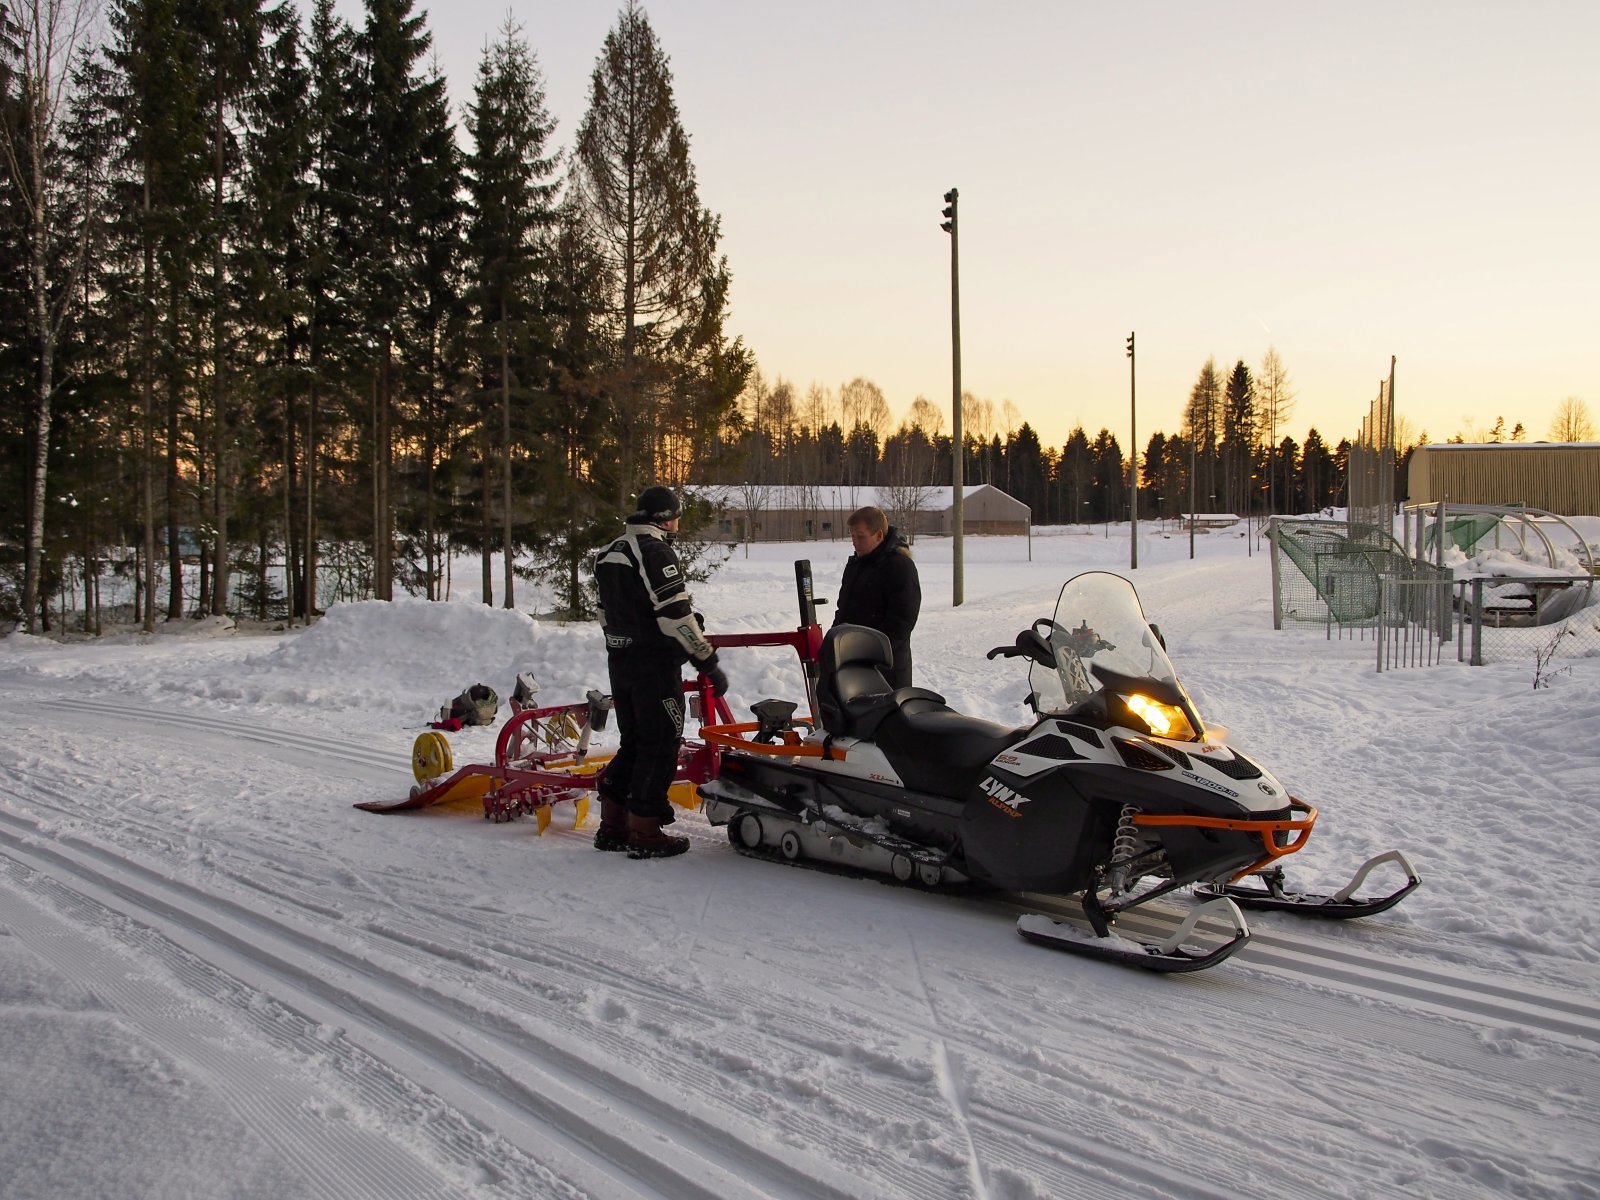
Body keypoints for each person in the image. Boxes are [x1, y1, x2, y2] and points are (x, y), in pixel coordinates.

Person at [592, 485, 728, 859]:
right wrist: (707, 661)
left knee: (634, 740)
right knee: (661, 741)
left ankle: (613, 824)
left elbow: (602, 613)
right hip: (652, 665)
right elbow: (676, 615)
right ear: (667, 517)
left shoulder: (608, 552)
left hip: (620, 660)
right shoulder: (654, 550)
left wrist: (622, 643)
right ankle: (645, 831)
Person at [833, 506, 921, 689]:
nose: (855, 542)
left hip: (887, 668)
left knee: (886, 716)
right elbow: (844, 610)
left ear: (879, 535)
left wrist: (871, 652)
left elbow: (902, 621)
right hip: (853, 663)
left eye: (861, 536)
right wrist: (834, 644)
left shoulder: (900, 567)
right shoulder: (856, 565)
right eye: (852, 536)